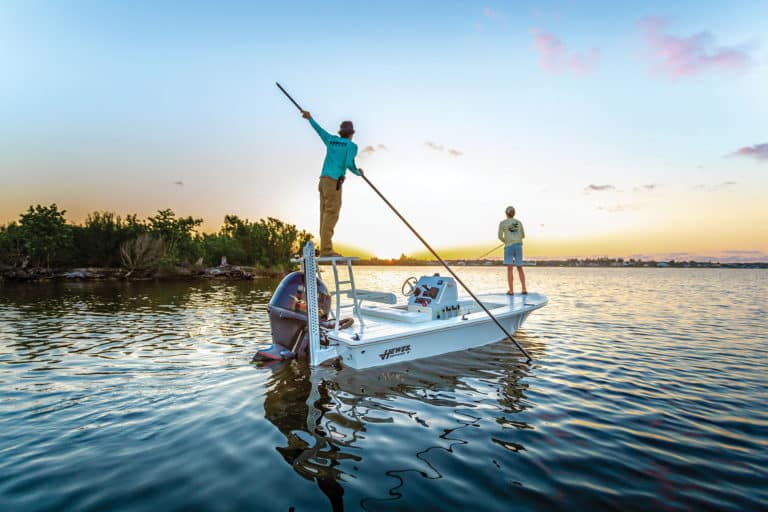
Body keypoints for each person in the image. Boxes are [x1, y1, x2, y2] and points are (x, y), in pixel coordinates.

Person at [301, 110, 363, 257]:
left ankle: (324, 248)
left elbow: (319, 130)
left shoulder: (331, 140)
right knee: (332, 214)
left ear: (341, 132)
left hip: (322, 181)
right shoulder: (351, 146)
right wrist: (359, 172)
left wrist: (310, 118)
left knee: (324, 214)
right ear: (351, 133)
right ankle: (326, 250)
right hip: (333, 182)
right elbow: (349, 163)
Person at [498, 206, 527, 295]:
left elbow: (500, 236)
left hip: (509, 247)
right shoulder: (518, 222)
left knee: (510, 269)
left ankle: (511, 290)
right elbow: (523, 236)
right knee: (520, 268)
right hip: (518, 246)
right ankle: (524, 289)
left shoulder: (502, 223)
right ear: (514, 213)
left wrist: (506, 241)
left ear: (506, 213)